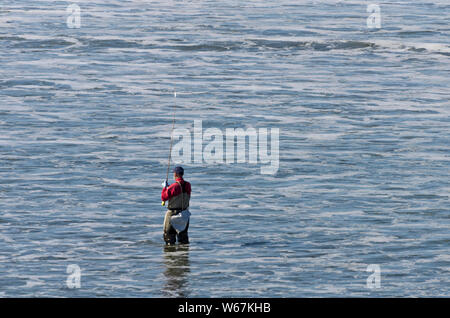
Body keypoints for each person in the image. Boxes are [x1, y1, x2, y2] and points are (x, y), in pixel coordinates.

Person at [161, 166, 191, 245]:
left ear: (176, 174)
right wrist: (169, 188)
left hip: (172, 214)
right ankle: (183, 256)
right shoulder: (188, 185)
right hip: (184, 214)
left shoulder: (174, 186)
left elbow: (163, 197)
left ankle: (170, 255)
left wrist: (165, 188)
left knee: (169, 237)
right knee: (183, 238)